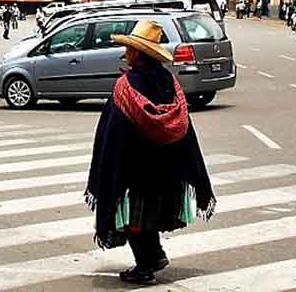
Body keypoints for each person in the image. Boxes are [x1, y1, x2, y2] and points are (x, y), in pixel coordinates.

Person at [85, 20, 215, 285]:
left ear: (139, 53)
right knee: (148, 217)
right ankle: (154, 255)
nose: (126, 53)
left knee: (134, 219)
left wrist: (109, 168)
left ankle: (145, 266)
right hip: (166, 165)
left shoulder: (126, 86)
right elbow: (184, 127)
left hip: (135, 166)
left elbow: (115, 132)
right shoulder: (169, 82)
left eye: (130, 49)